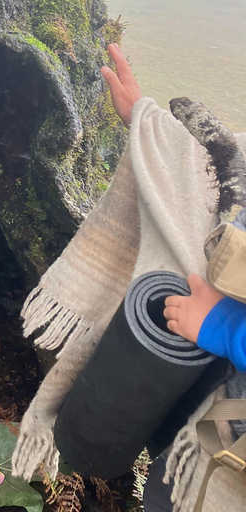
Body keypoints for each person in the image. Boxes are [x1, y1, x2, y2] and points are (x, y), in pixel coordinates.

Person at [102, 42, 246, 512]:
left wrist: (226, 328)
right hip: (209, 409)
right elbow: (225, 204)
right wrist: (148, 128)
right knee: (170, 482)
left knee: (187, 494)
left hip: (231, 461)